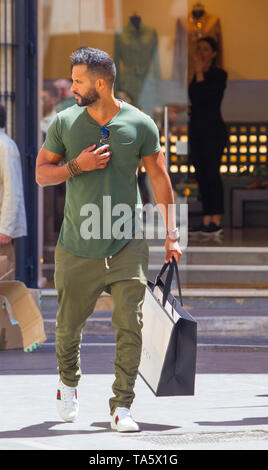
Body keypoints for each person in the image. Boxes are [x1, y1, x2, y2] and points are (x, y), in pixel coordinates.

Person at [35, 47, 182, 432]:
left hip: (126, 244)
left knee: (130, 324)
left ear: (100, 83)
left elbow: (159, 179)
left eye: (78, 80)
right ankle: (68, 383)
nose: (71, 87)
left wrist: (172, 234)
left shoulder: (141, 124)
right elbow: (41, 174)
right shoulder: (65, 122)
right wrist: (76, 166)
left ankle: (123, 406)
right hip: (77, 246)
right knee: (67, 327)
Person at [188, 36, 228, 237]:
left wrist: (198, 73)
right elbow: (194, 100)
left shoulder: (219, 75)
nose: (201, 53)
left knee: (212, 174)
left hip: (213, 131)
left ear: (213, 53)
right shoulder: (195, 76)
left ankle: (216, 220)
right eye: (199, 49)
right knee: (201, 175)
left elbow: (206, 98)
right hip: (196, 131)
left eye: (205, 49)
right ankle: (206, 220)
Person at [0, 105, 27, 278]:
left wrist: (6, 229)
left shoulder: (5, 146)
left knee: (3, 288)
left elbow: (13, 189)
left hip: (0, 231)